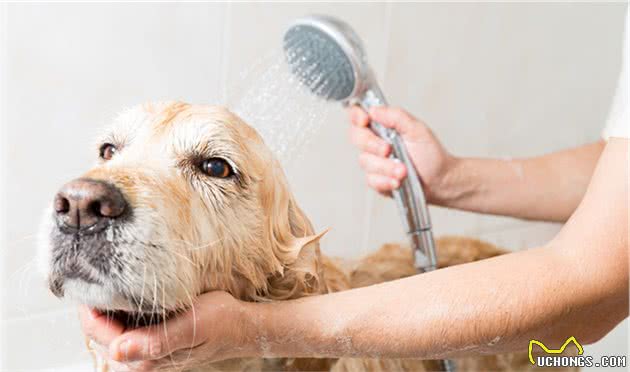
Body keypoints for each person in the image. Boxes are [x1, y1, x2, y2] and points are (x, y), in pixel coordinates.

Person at [80, 16, 629, 371]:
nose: (90, 198)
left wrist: (260, 332)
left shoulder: (282, 305)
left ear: (278, 273)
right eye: (110, 151)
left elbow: (592, 286)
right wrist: (454, 177)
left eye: (213, 166)